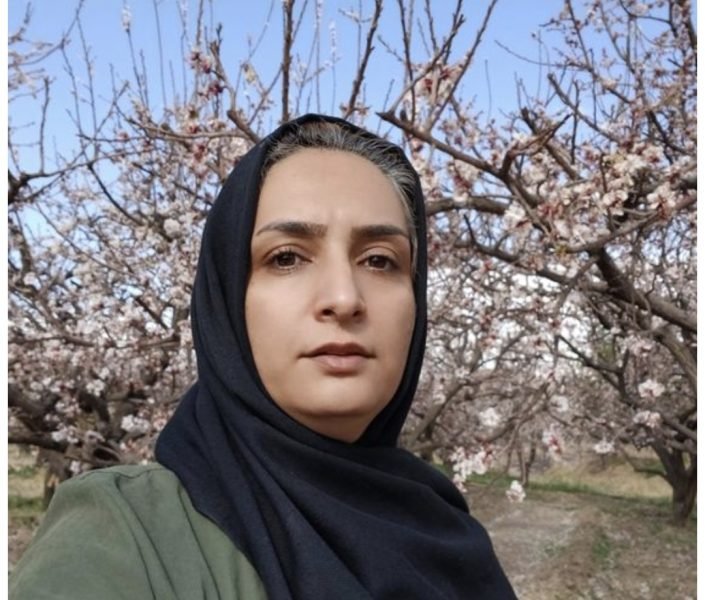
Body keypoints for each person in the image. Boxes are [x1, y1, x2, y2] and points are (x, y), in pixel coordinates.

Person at [10, 114, 516, 599]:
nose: (344, 298)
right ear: (227, 297)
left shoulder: (445, 526)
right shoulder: (124, 538)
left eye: (380, 261)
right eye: (286, 257)